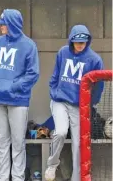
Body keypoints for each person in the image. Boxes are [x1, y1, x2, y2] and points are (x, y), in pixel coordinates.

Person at [0, 9, 40, 180]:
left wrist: (11, 87)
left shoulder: (29, 45)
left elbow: (33, 74)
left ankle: (17, 177)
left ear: (12, 25)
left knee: (18, 143)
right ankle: (2, 178)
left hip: (18, 101)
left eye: (3, 24)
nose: (0, 27)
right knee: (1, 142)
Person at [45, 25, 104, 181]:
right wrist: (54, 92)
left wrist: (90, 103)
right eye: (76, 41)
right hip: (60, 101)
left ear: (87, 41)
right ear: (71, 40)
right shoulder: (63, 52)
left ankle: (77, 178)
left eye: (82, 41)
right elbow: (55, 76)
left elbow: (99, 86)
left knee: (79, 145)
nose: (79, 44)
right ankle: (52, 165)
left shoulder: (95, 59)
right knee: (61, 132)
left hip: (80, 106)